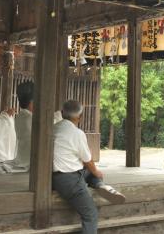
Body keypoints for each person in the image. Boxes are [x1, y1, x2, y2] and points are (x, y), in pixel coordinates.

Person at [52, 99, 126, 234]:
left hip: (54, 178)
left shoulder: (53, 128)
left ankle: (100, 186)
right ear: (80, 117)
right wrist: (98, 172)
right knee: (91, 215)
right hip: (70, 181)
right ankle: (100, 184)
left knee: (88, 172)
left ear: (62, 113)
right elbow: (88, 160)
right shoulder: (77, 133)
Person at [7, 81, 33, 171]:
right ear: (32, 102)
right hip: (31, 158)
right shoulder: (31, 118)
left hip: (21, 156)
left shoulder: (19, 116)